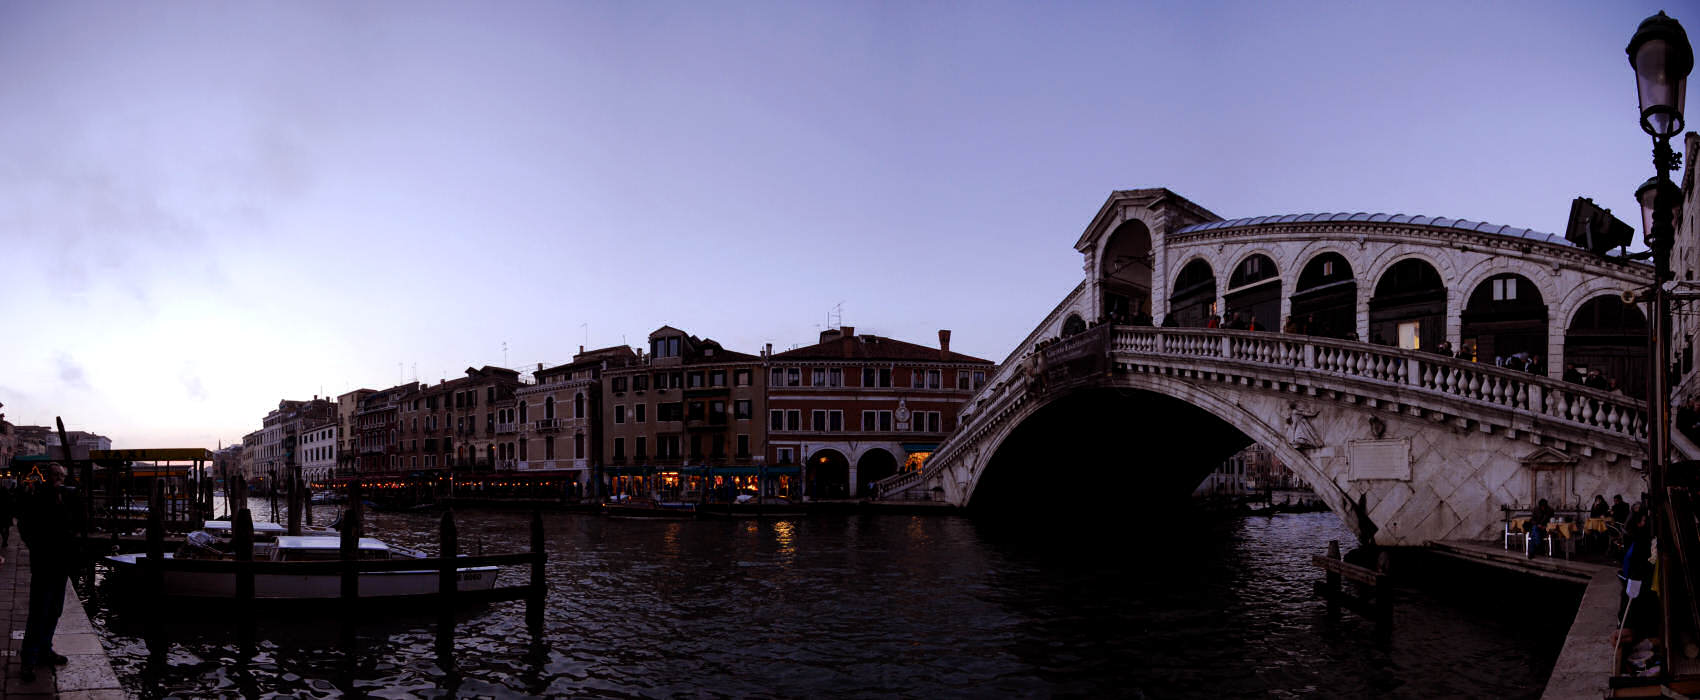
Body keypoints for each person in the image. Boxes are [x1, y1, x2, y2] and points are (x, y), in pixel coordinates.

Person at [17, 464, 82, 682]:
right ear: (47, 477)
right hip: (44, 563)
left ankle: (45, 649)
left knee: (55, 609)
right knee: (39, 611)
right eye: (55, 475)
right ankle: (28, 659)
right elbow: (24, 526)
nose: (58, 479)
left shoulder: (68, 498)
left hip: (61, 563)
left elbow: (76, 524)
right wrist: (36, 547)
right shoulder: (37, 497)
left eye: (61, 475)